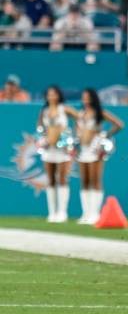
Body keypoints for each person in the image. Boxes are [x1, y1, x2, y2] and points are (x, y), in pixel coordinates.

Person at [76, 88, 123, 224]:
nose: (85, 100)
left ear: (93, 98)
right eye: (83, 97)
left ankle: (95, 214)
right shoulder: (81, 114)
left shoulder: (99, 113)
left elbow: (119, 124)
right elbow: (77, 129)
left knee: (95, 180)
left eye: (88, 97)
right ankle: (85, 213)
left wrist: (104, 136)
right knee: (84, 181)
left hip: (95, 149)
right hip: (83, 149)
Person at [37, 86, 78, 223]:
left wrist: (73, 136)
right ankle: (52, 212)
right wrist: (43, 139)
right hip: (49, 149)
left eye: (54, 94)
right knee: (50, 180)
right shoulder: (44, 111)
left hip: (63, 149)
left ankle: (62, 212)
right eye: (49, 94)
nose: (51, 96)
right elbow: (40, 128)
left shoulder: (64, 109)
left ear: (59, 95)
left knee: (62, 178)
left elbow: (79, 118)